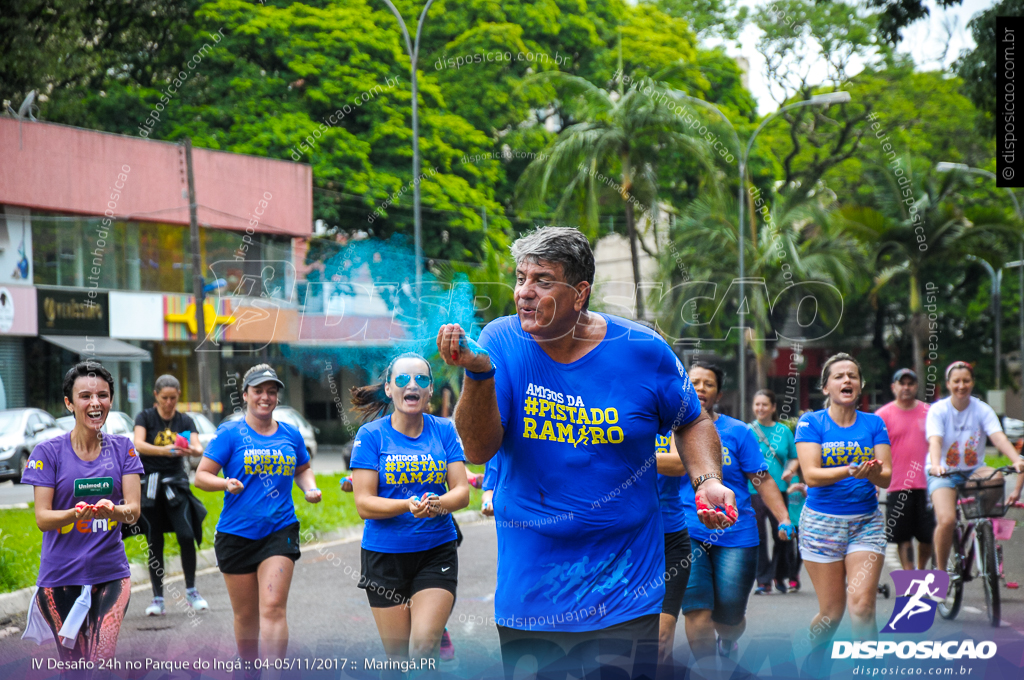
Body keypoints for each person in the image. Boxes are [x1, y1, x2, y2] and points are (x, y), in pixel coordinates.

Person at [436, 226, 735, 678]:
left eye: (542, 280)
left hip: (624, 586)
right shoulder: (500, 342)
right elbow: (479, 449)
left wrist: (707, 479)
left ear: (579, 293)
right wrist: (478, 375)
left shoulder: (642, 350)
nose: (524, 293)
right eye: (520, 279)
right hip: (532, 593)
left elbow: (691, 419)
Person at [195, 364, 321, 680]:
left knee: (274, 607)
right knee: (247, 616)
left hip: (280, 530)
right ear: (246, 395)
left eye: (271, 391)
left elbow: (302, 468)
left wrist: (310, 489)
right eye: (258, 391)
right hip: (235, 534)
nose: (265, 397)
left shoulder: (291, 434)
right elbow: (201, 476)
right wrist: (225, 484)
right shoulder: (230, 434)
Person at [21, 362, 143, 678]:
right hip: (60, 577)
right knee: (74, 668)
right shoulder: (47, 452)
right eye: (85, 396)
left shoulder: (123, 449)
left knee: (101, 661)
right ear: (69, 403)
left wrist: (112, 511)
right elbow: (43, 519)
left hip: (111, 573)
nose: (95, 403)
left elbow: (133, 510)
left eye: (102, 395)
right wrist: (73, 514)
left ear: (111, 401)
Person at [348, 352, 470, 667]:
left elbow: (461, 492)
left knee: (424, 647)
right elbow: (364, 504)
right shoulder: (371, 435)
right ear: (389, 389)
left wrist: (438, 504)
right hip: (383, 558)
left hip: (435, 553)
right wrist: (407, 504)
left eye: (421, 380)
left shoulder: (444, 430)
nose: (411, 385)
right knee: (398, 660)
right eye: (402, 379)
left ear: (430, 390)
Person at [677, 361, 792, 660]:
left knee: (727, 621)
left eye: (709, 384)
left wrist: (783, 518)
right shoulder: (668, 429)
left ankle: (727, 641)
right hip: (687, 531)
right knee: (697, 613)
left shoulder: (737, 431)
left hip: (736, 535)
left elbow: (761, 478)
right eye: (695, 382)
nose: (701, 388)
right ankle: (707, 669)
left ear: (718, 392)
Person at [794, 353, 892, 643]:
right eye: (838, 376)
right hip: (821, 525)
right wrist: (851, 470)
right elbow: (811, 475)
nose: (847, 380)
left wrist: (870, 475)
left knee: (863, 607)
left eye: (853, 376)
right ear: (826, 388)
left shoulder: (874, 424)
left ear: (860, 386)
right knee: (831, 614)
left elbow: (885, 477)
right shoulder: (811, 423)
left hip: (866, 523)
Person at [927, 361, 1024, 576]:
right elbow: (935, 441)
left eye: (966, 381)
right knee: (947, 520)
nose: (962, 386)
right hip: (944, 471)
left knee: (996, 477)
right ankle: (940, 573)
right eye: (957, 381)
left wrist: (1016, 459)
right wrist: (935, 465)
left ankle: (980, 527)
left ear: (972, 382)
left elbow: (998, 437)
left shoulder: (981, 409)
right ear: (948, 384)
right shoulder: (939, 410)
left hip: (972, 470)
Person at [133, 374, 208, 616]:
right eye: (164, 398)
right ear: (156, 396)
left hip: (176, 486)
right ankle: (157, 598)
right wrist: (165, 451)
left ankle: (191, 591)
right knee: (155, 542)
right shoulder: (145, 417)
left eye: (173, 398)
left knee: (187, 535)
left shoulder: (185, 420)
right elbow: (138, 445)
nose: (169, 403)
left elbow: (198, 448)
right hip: (151, 488)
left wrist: (187, 449)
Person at [875, 368, 934, 571]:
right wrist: (874, 482)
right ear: (894, 387)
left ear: (916, 387)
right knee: (903, 536)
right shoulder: (882, 416)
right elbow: (874, 451)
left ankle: (921, 569)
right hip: (898, 484)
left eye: (910, 384)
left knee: (928, 535)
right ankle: (910, 575)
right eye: (902, 383)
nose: (906, 387)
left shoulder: (929, 413)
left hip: (927, 483)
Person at [747, 389, 800, 595]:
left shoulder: (784, 431)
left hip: (779, 490)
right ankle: (763, 580)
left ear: (773, 407)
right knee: (758, 537)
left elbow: (795, 456)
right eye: (757, 404)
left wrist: (790, 470)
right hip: (752, 491)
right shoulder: (747, 430)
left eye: (764, 404)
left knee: (782, 536)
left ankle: (780, 575)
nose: (760, 408)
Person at [653, 432, 691, 669]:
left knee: (660, 639)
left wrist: (621, 454)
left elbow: (678, 464)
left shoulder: (676, 421)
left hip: (671, 538)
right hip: (622, 541)